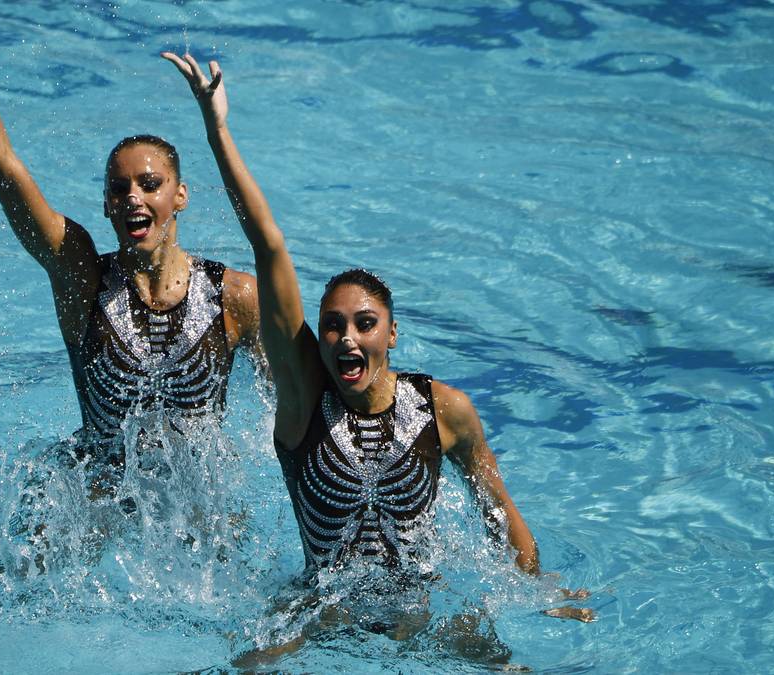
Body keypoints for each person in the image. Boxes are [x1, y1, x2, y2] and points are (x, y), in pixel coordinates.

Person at [162, 50, 591, 661]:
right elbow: (269, 246)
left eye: (365, 325)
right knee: (247, 663)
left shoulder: (444, 410)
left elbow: (500, 515)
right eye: (332, 326)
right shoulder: (304, 403)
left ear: (392, 334)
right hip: (321, 614)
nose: (347, 339)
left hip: (423, 613)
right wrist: (218, 130)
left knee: (503, 663)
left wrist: (539, 591)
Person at [0, 1, 259, 465]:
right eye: (119, 189)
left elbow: (299, 399)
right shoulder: (83, 279)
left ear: (180, 195)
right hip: (93, 497)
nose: (133, 197)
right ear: (106, 205)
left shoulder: (235, 297)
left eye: (150, 184)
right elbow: (4, 169)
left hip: (197, 503)